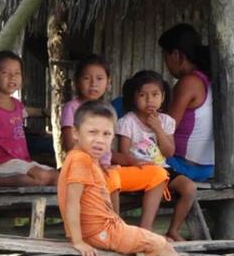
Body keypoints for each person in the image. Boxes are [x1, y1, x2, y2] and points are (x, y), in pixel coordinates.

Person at [58, 100, 234, 256]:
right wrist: (78, 242)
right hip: (101, 233)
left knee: (158, 243)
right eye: (92, 132)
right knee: (162, 245)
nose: (99, 140)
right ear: (75, 133)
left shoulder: (83, 158)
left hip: (104, 229)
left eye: (106, 134)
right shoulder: (80, 160)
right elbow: (71, 203)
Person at [60, 54, 168, 230]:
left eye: (99, 78)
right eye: (87, 78)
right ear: (76, 82)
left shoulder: (108, 110)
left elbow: (107, 152)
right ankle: (115, 230)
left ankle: (145, 231)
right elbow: (70, 147)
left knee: (158, 174)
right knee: (112, 177)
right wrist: (96, 165)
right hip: (84, 171)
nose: (93, 84)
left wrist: (131, 161)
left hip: (107, 169)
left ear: (108, 82)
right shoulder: (72, 108)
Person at [117, 71, 197, 241]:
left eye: (155, 95)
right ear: (134, 98)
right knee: (156, 179)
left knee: (189, 188)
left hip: (163, 168)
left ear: (163, 97)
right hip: (138, 169)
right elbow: (124, 154)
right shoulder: (128, 122)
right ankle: (145, 230)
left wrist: (158, 129)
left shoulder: (166, 121)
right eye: (143, 95)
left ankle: (173, 230)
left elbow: (169, 152)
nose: (149, 100)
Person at [0, 50, 57, 188]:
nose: (12, 77)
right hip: (0, 165)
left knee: (58, 178)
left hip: (21, 162)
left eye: (17, 73)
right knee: (42, 177)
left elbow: (15, 129)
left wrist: (35, 132)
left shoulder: (18, 105)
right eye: (5, 73)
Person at [159, 24, 214, 182]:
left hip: (183, 166)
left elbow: (167, 127)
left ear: (176, 55)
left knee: (122, 108)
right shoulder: (207, 78)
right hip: (208, 167)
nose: (166, 63)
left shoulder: (189, 83)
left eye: (165, 57)